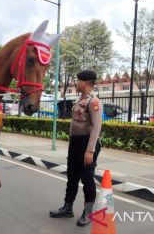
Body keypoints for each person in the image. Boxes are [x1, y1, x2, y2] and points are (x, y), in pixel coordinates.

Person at [49, 70, 102, 227]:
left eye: (78, 81)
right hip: (76, 143)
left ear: (85, 83)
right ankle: (67, 207)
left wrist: (90, 150)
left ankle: (88, 212)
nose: (76, 83)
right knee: (72, 176)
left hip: (87, 144)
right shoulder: (81, 100)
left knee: (87, 179)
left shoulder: (94, 101)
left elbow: (96, 127)